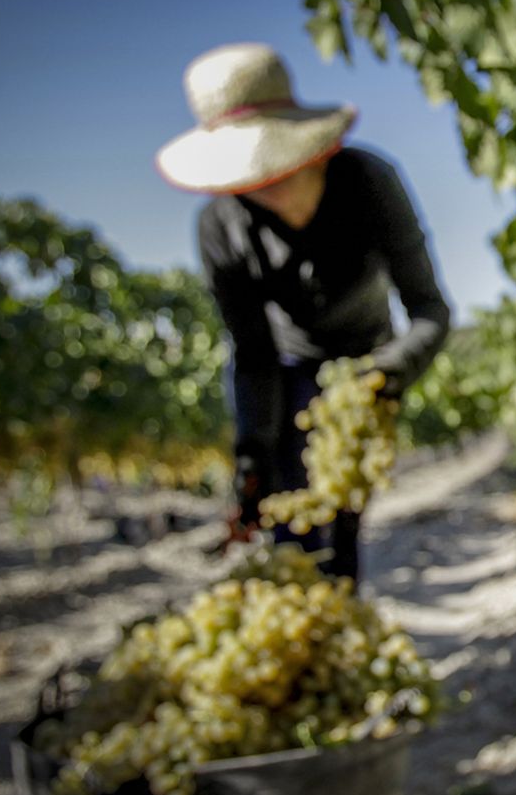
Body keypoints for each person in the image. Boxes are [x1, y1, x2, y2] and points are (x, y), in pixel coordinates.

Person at [156, 42, 450, 581]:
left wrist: (390, 370)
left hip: (369, 365)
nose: (268, 190)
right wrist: (252, 453)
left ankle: (340, 628)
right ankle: (301, 640)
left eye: (279, 171)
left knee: (341, 520)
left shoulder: (370, 182)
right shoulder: (219, 227)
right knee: (289, 528)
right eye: (251, 181)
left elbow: (431, 311)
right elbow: (253, 351)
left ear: (312, 151)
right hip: (288, 371)